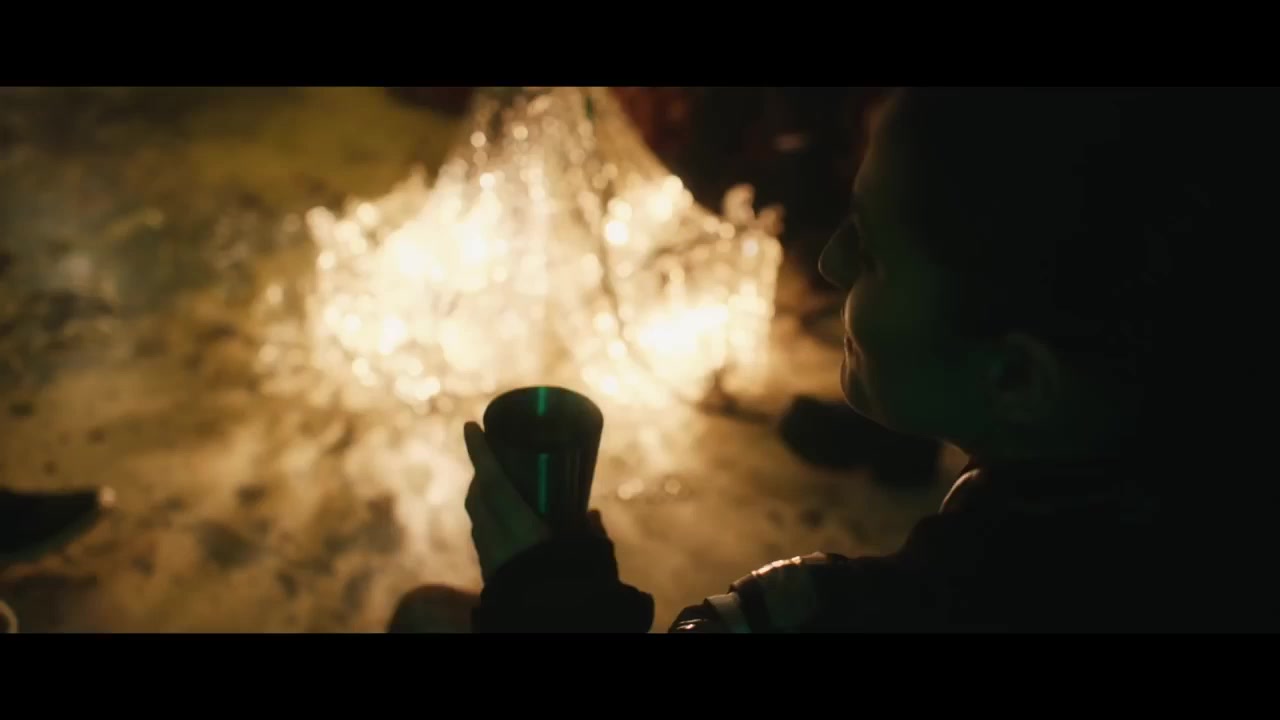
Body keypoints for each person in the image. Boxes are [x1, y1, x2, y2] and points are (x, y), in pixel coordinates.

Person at [392, 87, 1271, 633]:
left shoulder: (859, 613)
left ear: (1017, 378)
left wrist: (548, 598)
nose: (829, 263)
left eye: (873, 249)